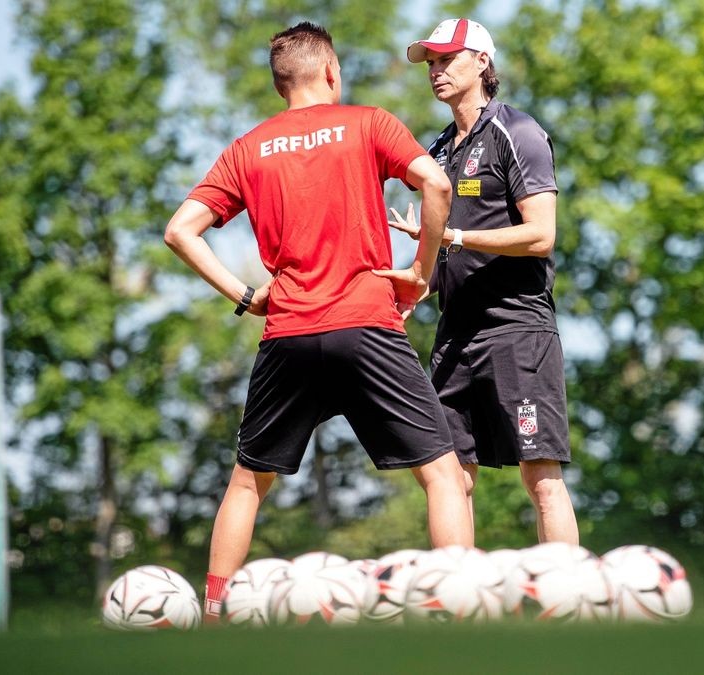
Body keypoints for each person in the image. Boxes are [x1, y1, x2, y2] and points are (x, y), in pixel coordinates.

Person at [164, 22, 472, 622]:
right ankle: (460, 610)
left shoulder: (248, 147)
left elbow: (180, 230)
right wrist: (421, 271)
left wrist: (245, 294)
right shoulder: (368, 123)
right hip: (368, 324)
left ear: (281, 84)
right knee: (442, 474)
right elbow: (435, 181)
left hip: (288, 331)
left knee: (248, 483)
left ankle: (215, 615)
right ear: (331, 71)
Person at [389, 18, 579, 544]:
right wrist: (415, 281)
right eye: (430, 63)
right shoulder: (439, 150)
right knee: (449, 478)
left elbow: (541, 234)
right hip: (455, 334)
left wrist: (452, 236)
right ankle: (457, 610)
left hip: (518, 328)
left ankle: (567, 603)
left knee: (540, 477)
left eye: (446, 59)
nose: (436, 71)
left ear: (482, 62)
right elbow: (438, 252)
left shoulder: (518, 132)